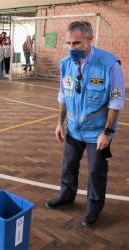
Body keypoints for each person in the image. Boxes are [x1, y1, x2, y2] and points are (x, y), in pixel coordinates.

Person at [45, 21, 125, 227]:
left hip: (97, 133)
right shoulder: (66, 64)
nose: (72, 48)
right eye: (68, 43)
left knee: (96, 172)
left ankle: (93, 208)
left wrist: (107, 132)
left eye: (77, 43)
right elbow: (64, 94)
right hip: (73, 129)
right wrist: (59, 124)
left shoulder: (109, 65)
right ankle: (66, 195)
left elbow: (116, 101)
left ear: (90, 39)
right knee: (68, 166)